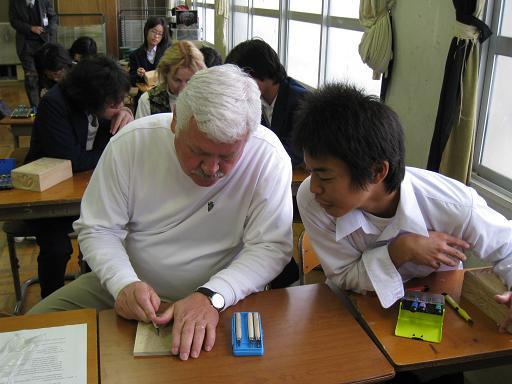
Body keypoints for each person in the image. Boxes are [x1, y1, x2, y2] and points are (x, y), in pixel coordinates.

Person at [29, 64, 294, 361]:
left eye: (228, 156)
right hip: (131, 282)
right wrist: (122, 284)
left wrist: (212, 296)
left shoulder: (268, 157)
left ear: (248, 136)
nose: (211, 169)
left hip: (225, 294)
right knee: (25, 338)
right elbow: (99, 228)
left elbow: (270, 246)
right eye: (199, 151)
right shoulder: (132, 143)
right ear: (175, 122)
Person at [295, 82, 512, 330]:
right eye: (310, 172)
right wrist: (400, 250)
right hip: (361, 312)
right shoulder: (313, 201)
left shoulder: (452, 204)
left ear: (376, 171)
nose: (314, 188)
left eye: (325, 177)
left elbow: (507, 246)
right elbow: (344, 275)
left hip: (441, 309)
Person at [24, 55, 133, 298]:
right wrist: (116, 143)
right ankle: (50, 298)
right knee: (57, 249)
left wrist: (124, 114)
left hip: (87, 188)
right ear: (92, 97)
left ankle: (97, 287)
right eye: (114, 102)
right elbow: (70, 160)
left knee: (119, 234)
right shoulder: (54, 104)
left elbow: (106, 137)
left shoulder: (100, 105)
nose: (119, 105)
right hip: (50, 194)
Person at [225, 38, 307, 166]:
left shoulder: (300, 100)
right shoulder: (255, 98)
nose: (237, 86)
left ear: (259, 72)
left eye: (241, 79)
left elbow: (295, 152)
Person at [135, 40, 206, 119]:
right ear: (165, 74)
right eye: (177, 80)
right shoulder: (148, 102)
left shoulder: (204, 100)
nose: (183, 88)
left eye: (189, 81)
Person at [9, 0, 57, 108]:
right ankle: (35, 108)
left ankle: (47, 107)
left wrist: (49, 30)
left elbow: (53, 17)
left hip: (44, 44)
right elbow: (13, 21)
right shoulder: (14, 2)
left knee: (44, 76)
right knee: (31, 77)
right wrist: (31, 28)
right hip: (25, 45)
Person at [129, 16, 170, 108]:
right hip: (143, 98)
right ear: (146, 31)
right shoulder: (135, 55)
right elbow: (131, 80)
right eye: (154, 32)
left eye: (160, 34)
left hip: (163, 99)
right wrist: (138, 74)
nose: (156, 36)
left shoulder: (167, 52)